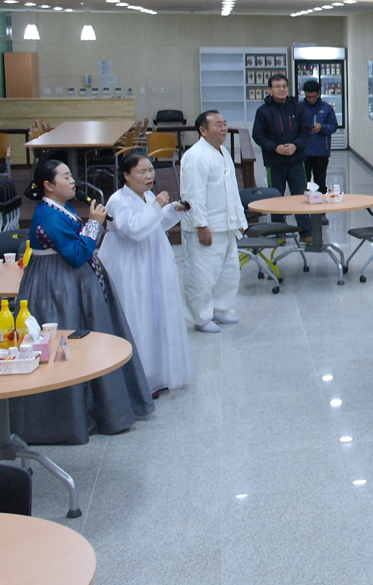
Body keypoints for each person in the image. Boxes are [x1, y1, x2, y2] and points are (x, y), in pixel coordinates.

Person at [10, 159, 154, 444]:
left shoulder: (59, 207)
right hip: (57, 288)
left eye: (71, 175)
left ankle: (103, 409)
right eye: (65, 177)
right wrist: (94, 224)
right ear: (48, 185)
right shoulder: (48, 215)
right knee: (68, 345)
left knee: (92, 341)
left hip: (71, 283)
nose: (72, 181)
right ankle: (70, 419)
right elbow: (76, 254)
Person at [98, 154, 193, 398]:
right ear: (126, 175)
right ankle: (139, 380)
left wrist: (172, 209)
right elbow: (132, 230)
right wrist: (158, 206)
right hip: (130, 263)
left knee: (157, 313)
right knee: (137, 314)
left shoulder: (148, 196)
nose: (149, 176)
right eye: (142, 172)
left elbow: (156, 223)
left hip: (153, 260)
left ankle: (159, 373)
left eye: (151, 170)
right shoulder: (118, 200)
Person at [180, 110, 248, 334]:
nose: (224, 128)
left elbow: (232, 190)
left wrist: (239, 218)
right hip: (206, 226)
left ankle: (220, 309)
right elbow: (193, 194)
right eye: (218, 125)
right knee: (202, 274)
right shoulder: (195, 156)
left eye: (224, 123)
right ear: (203, 130)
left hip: (226, 224)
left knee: (228, 272)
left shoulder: (222, 151)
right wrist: (201, 225)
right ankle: (200, 317)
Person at [252, 74, 313, 241]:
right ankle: (278, 231)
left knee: (300, 196)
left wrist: (295, 145)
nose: (281, 89)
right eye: (277, 86)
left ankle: (306, 232)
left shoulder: (298, 108)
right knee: (276, 198)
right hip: (274, 162)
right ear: (270, 89)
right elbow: (258, 135)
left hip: (296, 160)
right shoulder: (263, 111)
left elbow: (305, 131)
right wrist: (275, 148)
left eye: (284, 86)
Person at [299, 79, 338, 195]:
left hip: (321, 151)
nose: (310, 99)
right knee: (303, 183)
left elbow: (333, 126)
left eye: (313, 97)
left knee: (320, 183)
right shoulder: (299, 107)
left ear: (318, 93)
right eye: (308, 97)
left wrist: (321, 127)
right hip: (303, 151)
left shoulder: (327, 108)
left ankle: (321, 205)